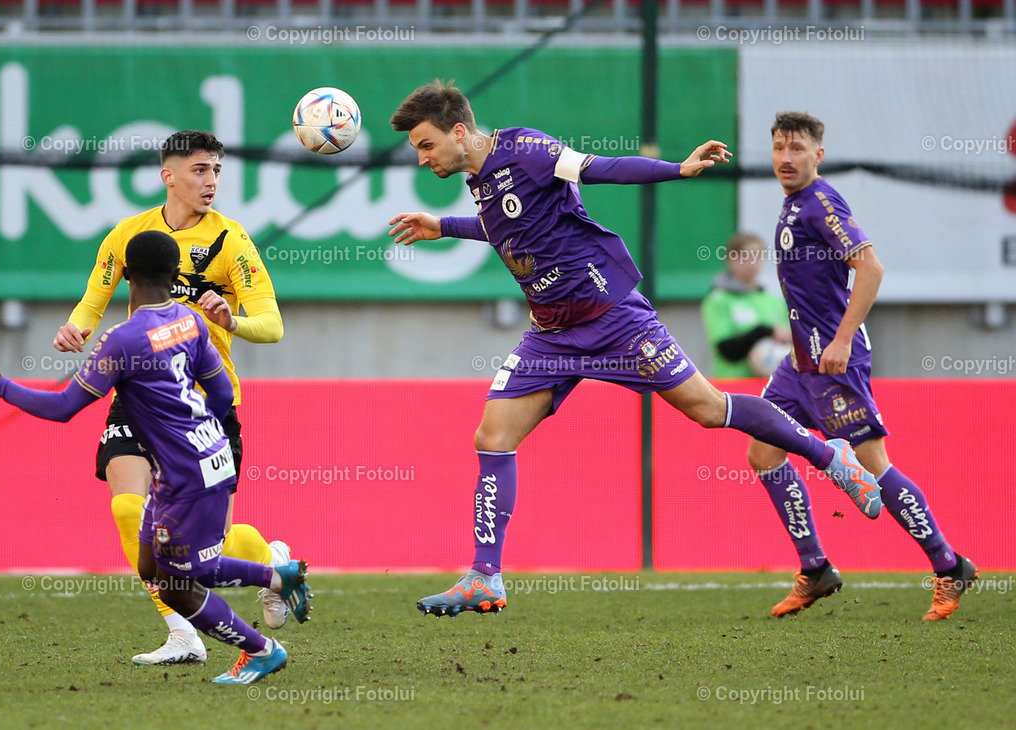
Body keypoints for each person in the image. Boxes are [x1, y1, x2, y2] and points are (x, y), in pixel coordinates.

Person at [387, 80, 883, 618]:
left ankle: (829, 456)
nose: (421, 158)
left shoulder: (527, 150)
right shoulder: (477, 179)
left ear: (459, 131)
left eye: (426, 143)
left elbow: (605, 167)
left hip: (612, 318)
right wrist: (445, 226)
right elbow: (509, 225)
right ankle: (485, 576)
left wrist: (678, 169)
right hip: (552, 334)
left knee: (710, 409)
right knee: (492, 435)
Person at [0, 231, 312, 684]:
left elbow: (64, 408)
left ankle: (262, 649)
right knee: (152, 566)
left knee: (183, 582)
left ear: (126, 274)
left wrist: (2, 386)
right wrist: (195, 437)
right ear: (172, 271)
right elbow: (220, 393)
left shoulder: (121, 340)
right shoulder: (192, 320)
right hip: (206, 453)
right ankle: (278, 577)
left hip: (186, 474)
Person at [52, 130, 292, 664]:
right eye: (200, 171)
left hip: (203, 403)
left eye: (216, 171)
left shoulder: (232, 242)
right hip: (138, 392)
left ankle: (274, 562)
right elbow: (95, 299)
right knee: (126, 507)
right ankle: (181, 632)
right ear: (169, 176)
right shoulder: (128, 235)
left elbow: (273, 325)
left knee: (204, 554)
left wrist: (234, 320)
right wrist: (75, 328)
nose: (211, 182)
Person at [749, 112, 976, 620]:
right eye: (779, 148)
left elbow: (870, 267)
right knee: (763, 453)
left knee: (876, 467)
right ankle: (815, 569)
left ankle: (949, 564)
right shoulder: (793, 204)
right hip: (798, 363)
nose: (786, 158)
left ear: (818, 155)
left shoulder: (822, 202)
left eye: (798, 149)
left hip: (833, 363)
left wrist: (843, 339)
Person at [701, 232, 792, 378]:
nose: (751, 263)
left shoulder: (773, 301)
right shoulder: (718, 300)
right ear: (730, 260)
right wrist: (764, 332)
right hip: (733, 385)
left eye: (757, 256)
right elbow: (727, 350)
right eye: (744, 256)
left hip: (771, 386)